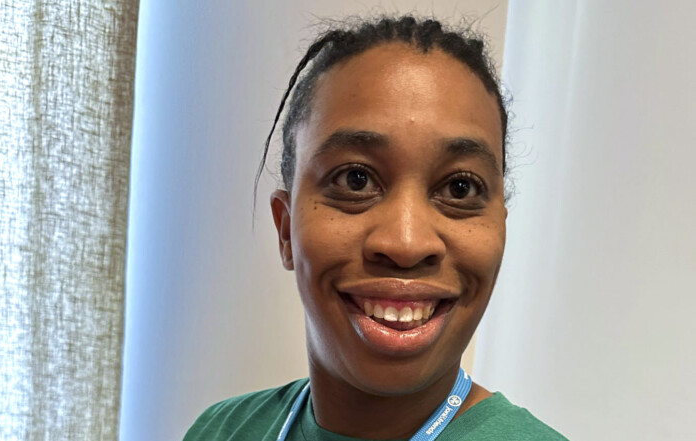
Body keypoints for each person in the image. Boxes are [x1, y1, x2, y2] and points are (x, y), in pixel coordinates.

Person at [184, 15, 568, 440]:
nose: (406, 243)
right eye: (356, 180)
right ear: (286, 230)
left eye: (460, 188)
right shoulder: (220, 431)